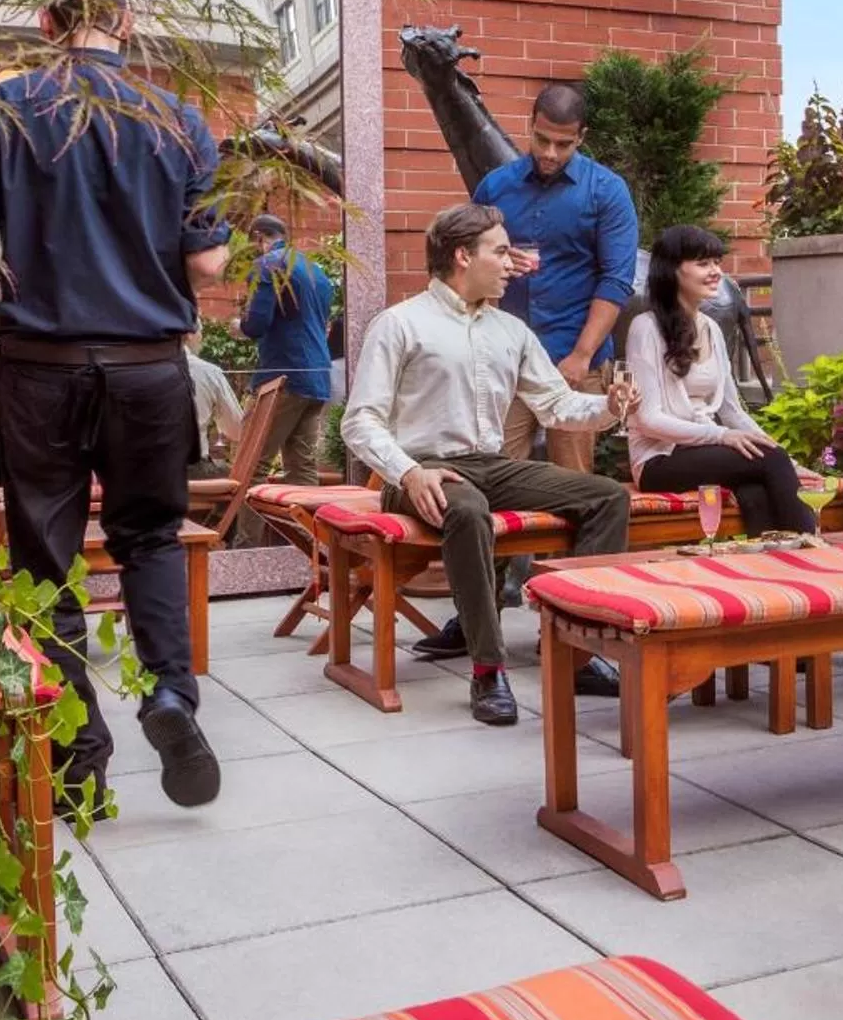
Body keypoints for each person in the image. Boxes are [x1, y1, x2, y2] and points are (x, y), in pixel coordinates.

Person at [0, 0, 232, 818]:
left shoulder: (3, 107)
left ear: (48, 20)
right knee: (151, 537)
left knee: (45, 561)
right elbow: (207, 263)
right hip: (151, 368)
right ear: (130, 20)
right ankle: (170, 697)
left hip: (41, 369)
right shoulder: (181, 120)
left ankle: (78, 756)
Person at [340, 203, 641, 727]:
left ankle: (575, 652)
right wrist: (409, 472)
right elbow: (359, 421)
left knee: (607, 496)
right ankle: (487, 668)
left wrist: (610, 407)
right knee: (469, 509)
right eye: (501, 252)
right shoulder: (399, 324)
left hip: (491, 463)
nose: (512, 263)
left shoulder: (511, 331)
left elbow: (555, 405)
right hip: (417, 470)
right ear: (463, 255)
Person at [472, 83, 641, 473]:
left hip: (574, 358)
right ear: (529, 125)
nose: (550, 153)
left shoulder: (607, 191)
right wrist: (494, 259)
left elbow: (616, 280)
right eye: (542, 139)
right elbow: (465, 261)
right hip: (509, 359)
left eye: (563, 144)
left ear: (581, 137)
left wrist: (582, 356)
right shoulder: (495, 186)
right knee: (496, 475)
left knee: (573, 484)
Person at [626, 225, 818, 536]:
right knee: (769, 462)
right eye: (703, 264)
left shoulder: (711, 329)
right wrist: (721, 436)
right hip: (659, 459)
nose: (716, 272)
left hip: (703, 449)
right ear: (672, 270)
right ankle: (812, 549)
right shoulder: (645, 328)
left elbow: (732, 411)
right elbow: (648, 419)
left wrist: (782, 453)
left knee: (756, 489)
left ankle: (765, 567)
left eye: (717, 262)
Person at [238, 213, 335, 483]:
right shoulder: (317, 272)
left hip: (280, 377)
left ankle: (244, 529)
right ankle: (302, 527)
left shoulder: (267, 264)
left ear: (258, 237)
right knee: (302, 470)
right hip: (317, 378)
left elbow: (256, 325)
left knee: (251, 466)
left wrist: (240, 324)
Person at [183, 329, 243, 483]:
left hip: (140, 475)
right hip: (192, 473)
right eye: (201, 332)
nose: (201, 338)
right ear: (189, 334)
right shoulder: (208, 372)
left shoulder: (133, 368)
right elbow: (237, 431)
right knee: (236, 478)